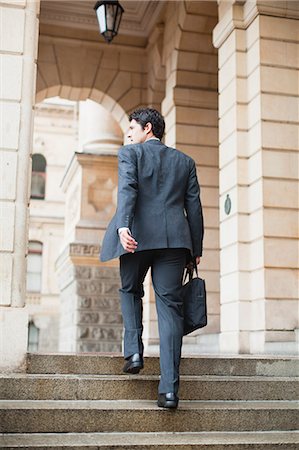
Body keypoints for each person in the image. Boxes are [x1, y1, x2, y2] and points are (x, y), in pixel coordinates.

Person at [100, 108, 204, 409]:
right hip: (175, 242)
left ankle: (133, 351)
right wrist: (195, 249)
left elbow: (128, 189)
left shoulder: (130, 154)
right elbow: (194, 209)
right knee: (170, 308)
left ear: (148, 128)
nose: (129, 133)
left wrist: (123, 226)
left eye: (132, 127)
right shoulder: (185, 162)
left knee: (130, 290)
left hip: (136, 237)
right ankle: (169, 391)